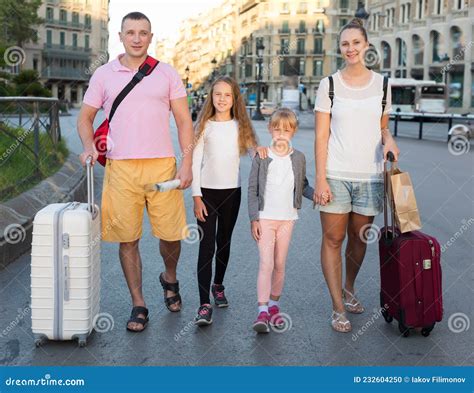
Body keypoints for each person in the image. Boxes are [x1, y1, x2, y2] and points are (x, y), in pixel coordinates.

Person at [77, 12, 194, 332]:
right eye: (131, 32)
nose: (137, 38)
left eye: (143, 32)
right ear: (121, 36)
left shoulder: (167, 73)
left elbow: (185, 121)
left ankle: (169, 277)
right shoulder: (103, 74)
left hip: (162, 167)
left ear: (151, 37)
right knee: (127, 238)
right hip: (121, 169)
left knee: (171, 235)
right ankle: (138, 302)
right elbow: (85, 119)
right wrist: (89, 146)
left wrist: (186, 163)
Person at [313, 18, 400, 333]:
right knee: (333, 239)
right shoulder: (330, 85)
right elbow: (321, 137)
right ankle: (338, 307)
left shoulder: (383, 85)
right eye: (345, 44)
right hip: (335, 174)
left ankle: (349, 287)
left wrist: (389, 139)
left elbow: (382, 126)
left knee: (359, 239)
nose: (350, 48)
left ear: (366, 45)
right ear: (341, 48)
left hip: (370, 175)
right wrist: (320, 179)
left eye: (356, 43)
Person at [192, 76, 258, 326]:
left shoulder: (241, 126)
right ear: (211, 97)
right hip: (207, 193)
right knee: (205, 246)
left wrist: (264, 152)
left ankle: (218, 284)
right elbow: (195, 161)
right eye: (217, 94)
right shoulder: (205, 125)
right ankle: (203, 304)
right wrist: (196, 196)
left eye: (227, 95)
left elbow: (254, 153)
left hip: (233, 193)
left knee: (224, 242)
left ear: (234, 99)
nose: (221, 99)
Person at [248, 108, 314, 334]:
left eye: (286, 130)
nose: (281, 134)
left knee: (279, 264)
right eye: (277, 129)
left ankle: (274, 306)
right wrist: (254, 218)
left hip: (287, 219)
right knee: (266, 264)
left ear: (293, 131)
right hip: (265, 218)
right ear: (270, 129)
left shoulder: (299, 158)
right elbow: (252, 189)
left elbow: (302, 185)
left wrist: (316, 194)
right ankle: (262, 310)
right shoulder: (263, 156)